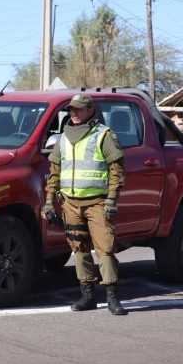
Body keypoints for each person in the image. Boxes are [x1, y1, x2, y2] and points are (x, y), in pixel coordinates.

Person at [41, 94, 127, 315]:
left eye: (79, 109)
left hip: (97, 203)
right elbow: (54, 174)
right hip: (70, 204)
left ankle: (112, 298)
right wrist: (49, 202)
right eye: (72, 110)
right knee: (79, 250)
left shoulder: (103, 135)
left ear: (90, 111)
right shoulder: (63, 138)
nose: (74, 113)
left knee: (105, 249)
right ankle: (87, 296)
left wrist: (111, 200)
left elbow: (117, 171)